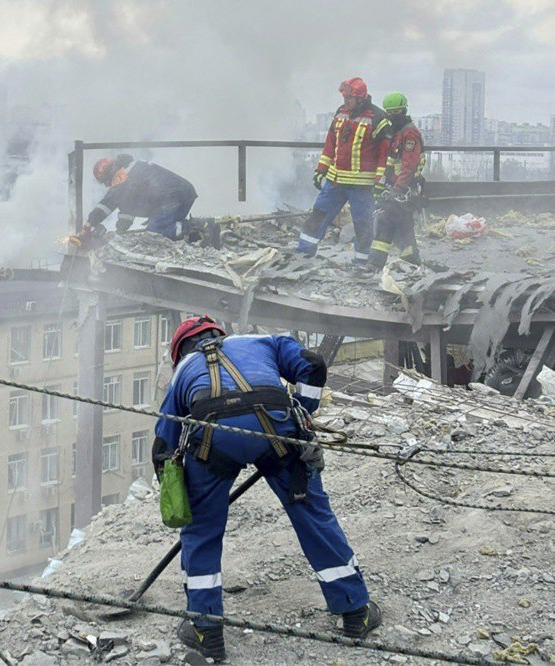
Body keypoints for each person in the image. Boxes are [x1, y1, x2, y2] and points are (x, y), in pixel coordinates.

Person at [153, 316, 381, 660]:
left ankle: (206, 632)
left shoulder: (184, 369)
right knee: (313, 516)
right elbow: (314, 365)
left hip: (213, 442)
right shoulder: (262, 342)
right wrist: (303, 412)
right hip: (276, 429)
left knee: (201, 533)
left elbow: (163, 444)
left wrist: (178, 491)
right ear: (219, 333)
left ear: (179, 350)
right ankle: (355, 612)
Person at [297, 78, 391, 265]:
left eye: (349, 97)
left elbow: (385, 155)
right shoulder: (341, 113)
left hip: (362, 186)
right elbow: (331, 143)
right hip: (335, 181)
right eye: (344, 96)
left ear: (361, 98)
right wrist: (321, 169)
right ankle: (302, 255)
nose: (345, 100)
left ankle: (362, 262)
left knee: (363, 225)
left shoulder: (378, 119)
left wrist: (380, 182)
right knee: (318, 216)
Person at [78, 154, 197, 244]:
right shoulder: (130, 171)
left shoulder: (123, 176)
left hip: (173, 197)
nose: (108, 185)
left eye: (105, 181)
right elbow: (128, 207)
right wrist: (120, 231)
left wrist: (88, 226)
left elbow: (107, 204)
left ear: (109, 173)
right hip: (180, 195)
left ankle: (195, 228)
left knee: (153, 234)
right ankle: (197, 234)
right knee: (162, 230)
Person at [365, 92, 425, 271]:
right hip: (397, 187)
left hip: (405, 189)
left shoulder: (409, 134)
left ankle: (374, 264)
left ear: (404, 110)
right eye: (389, 112)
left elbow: (409, 165)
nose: (392, 116)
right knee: (404, 227)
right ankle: (412, 261)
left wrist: (398, 189)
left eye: (396, 112)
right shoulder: (397, 133)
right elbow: (390, 163)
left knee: (385, 221)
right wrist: (382, 185)